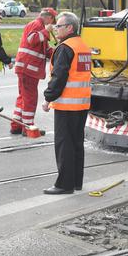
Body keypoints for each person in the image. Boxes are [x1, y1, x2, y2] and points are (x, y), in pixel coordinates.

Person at [42, 11, 92, 195]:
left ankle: (64, 184)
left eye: (59, 26)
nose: (56, 29)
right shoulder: (82, 46)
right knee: (77, 143)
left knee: (64, 145)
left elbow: (59, 77)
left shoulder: (65, 48)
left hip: (67, 104)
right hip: (82, 104)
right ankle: (76, 182)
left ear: (69, 28)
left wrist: (48, 98)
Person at [12, 7, 57, 137]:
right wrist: (46, 31)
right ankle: (28, 128)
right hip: (29, 69)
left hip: (25, 68)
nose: (53, 24)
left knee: (23, 97)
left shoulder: (37, 25)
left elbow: (43, 48)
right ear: (49, 18)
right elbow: (32, 40)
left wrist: (56, 52)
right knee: (30, 98)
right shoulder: (37, 25)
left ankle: (16, 125)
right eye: (53, 21)